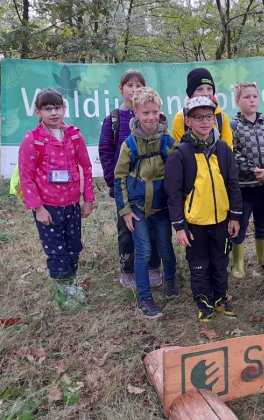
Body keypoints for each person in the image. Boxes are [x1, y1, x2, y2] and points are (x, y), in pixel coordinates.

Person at [165, 96, 243, 322]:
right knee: (199, 264)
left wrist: (235, 217)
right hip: (195, 224)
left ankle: (220, 300)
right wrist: (180, 226)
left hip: (220, 220)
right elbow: (174, 193)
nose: (205, 122)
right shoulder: (181, 154)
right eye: (199, 117)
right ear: (188, 121)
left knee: (220, 262)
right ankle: (204, 303)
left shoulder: (223, 150)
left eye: (209, 117)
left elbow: (233, 185)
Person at [17, 88, 95, 311]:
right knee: (56, 250)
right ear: (38, 112)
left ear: (64, 109)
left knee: (74, 247)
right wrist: (38, 208)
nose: (53, 113)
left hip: (72, 205)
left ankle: (71, 286)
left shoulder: (74, 136)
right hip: (48, 208)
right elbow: (26, 176)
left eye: (57, 108)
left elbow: (86, 167)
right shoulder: (33, 140)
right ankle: (63, 292)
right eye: (47, 109)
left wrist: (87, 199)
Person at [114, 87, 180, 319]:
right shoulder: (129, 145)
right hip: (138, 210)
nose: (151, 117)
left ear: (160, 112)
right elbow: (120, 178)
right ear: (135, 113)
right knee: (143, 251)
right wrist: (125, 211)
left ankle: (171, 279)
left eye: (155, 112)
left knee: (165, 248)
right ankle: (145, 298)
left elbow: (179, 174)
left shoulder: (168, 143)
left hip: (161, 209)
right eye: (145, 113)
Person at [99, 69, 162, 290]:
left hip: (151, 188)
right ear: (121, 89)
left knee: (153, 228)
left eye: (138, 86)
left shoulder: (152, 118)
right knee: (127, 230)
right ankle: (127, 270)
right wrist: (113, 182)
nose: (134, 90)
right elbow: (105, 152)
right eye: (129, 86)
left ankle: (154, 267)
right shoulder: (114, 120)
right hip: (125, 188)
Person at [229, 82, 264, 278]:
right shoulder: (233, 126)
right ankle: (238, 263)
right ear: (237, 101)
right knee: (240, 225)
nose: (251, 100)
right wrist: (252, 170)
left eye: (254, 96)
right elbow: (232, 153)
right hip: (243, 188)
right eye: (246, 97)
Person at [171, 67, 234, 149]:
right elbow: (179, 152)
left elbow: (228, 151)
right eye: (199, 89)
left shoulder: (221, 117)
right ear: (191, 94)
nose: (205, 93)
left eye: (209, 89)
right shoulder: (181, 118)